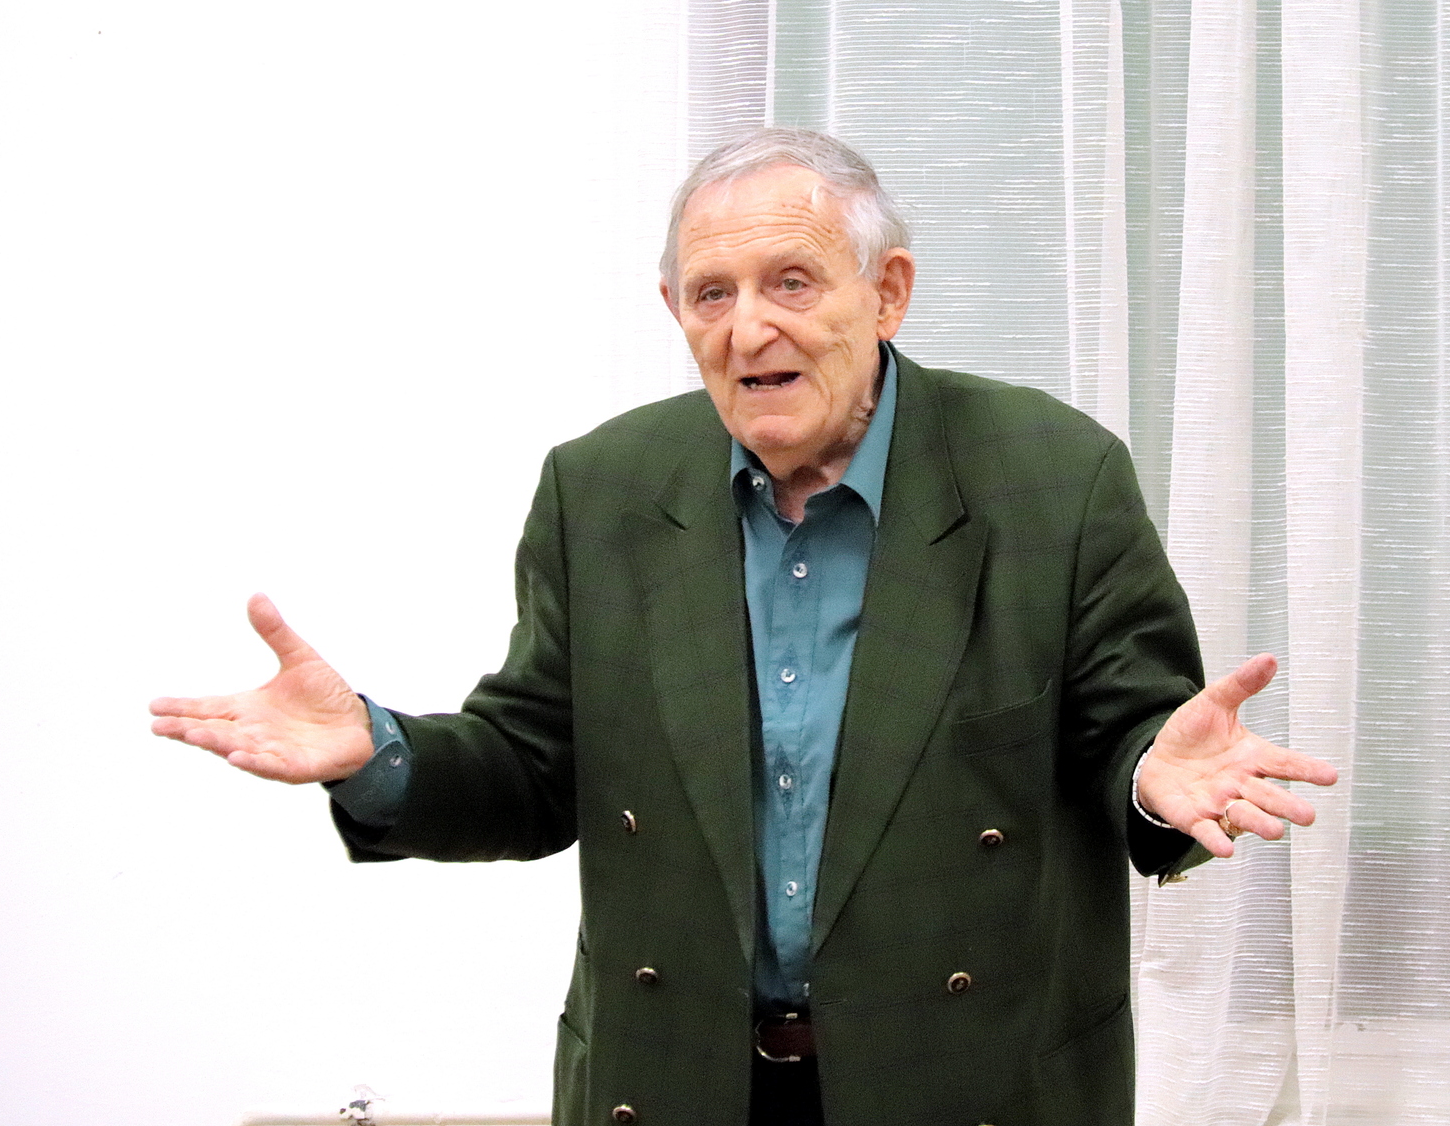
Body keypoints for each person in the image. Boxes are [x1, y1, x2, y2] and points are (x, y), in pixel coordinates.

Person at [151, 128, 1338, 1126]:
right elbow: (532, 767)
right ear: (674, 309)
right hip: (677, 1080)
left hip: (972, 1082)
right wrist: (377, 749)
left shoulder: (1053, 477)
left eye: (792, 282)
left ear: (888, 292)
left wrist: (1154, 782)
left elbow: (1140, 748)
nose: (748, 326)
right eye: (712, 292)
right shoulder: (602, 489)